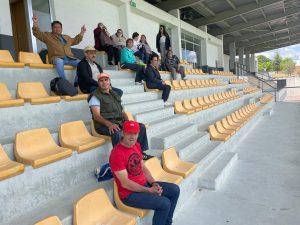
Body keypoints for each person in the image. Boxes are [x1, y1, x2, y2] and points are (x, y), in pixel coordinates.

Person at [109, 120, 180, 225]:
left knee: (175, 190)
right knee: (164, 203)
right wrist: (149, 190)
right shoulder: (117, 154)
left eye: (135, 133)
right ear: (123, 133)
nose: (132, 137)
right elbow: (125, 183)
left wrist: (153, 183)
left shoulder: (136, 146)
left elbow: (144, 168)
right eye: (129, 133)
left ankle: (167, 223)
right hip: (129, 194)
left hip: (145, 185)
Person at [89, 73, 152, 160]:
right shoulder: (95, 97)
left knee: (139, 127)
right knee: (117, 132)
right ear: (98, 83)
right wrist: (109, 124)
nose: (104, 82)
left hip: (119, 122)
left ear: (109, 81)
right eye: (101, 81)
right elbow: (96, 116)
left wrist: (128, 121)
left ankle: (139, 153)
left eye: (106, 80)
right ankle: (121, 157)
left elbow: (122, 111)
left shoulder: (114, 94)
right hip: (103, 125)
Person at [32, 15, 86, 79]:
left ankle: (77, 81)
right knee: (59, 61)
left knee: (82, 64)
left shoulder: (67, 37)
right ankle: (64, 81)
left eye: (59, 27)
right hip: (56, 58)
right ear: (52, 28)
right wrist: (35, 23)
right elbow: (37, 33)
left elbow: (75, 40)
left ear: (61, 28)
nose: (57, 29)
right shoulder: (48, 36)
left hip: (70, 59)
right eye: (55, 27)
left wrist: (82, 32)